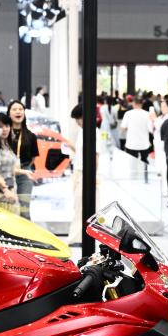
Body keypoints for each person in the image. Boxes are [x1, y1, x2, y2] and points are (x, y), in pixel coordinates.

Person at [0, 112, 29, 215]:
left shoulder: (8, 145)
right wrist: (5, 190)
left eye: (7, 126)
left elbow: (10, 170)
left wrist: (25, 172)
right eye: (0, 127)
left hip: (11, 190)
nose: (4, 129)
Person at [67, 104, 99, 245]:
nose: (77, 122)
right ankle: (79, 237)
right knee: (78, 205)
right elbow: (82, 153)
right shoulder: (82, 132)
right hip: (78, 172)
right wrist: (71, 147)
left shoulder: (94, 132)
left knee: (82, 206)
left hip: (86, 174)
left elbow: (96, 157)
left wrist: (93, 176)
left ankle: (78, 237)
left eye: (78, 119)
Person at [5, 100, 39, 219]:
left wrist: (24, 168)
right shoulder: (4, 134)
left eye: (20, 109)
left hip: (25, 173)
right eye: (14, 109)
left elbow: (33, 157)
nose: (18, 112)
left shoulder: (31, 136)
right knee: (8, 209)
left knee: (24, 210)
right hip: (6, 173)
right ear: (9, 114)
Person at [121, 97, 153, 180]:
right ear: (142, 104)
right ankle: (145, 178)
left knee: (132, 162)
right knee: (144, 160)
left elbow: (123, 128)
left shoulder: (128, 114)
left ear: (133, 104)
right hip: (144, 143)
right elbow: (151, 129)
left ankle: (133, 178)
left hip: (131, 143)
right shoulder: (147, 114)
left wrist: (129, 128)